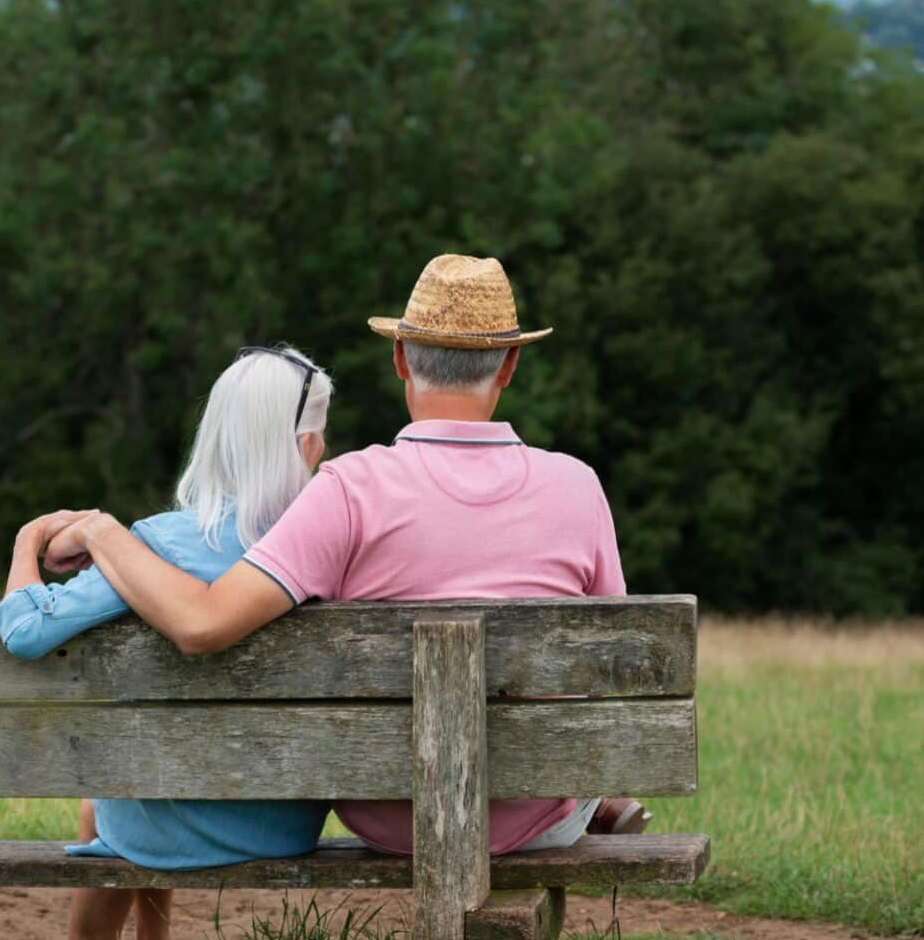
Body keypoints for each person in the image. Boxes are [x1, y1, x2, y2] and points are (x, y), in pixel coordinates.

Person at [43, 254, 648, 871]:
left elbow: (202, 625)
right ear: (510, 366)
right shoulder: (578, 486)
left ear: (401, 359)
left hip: (391, 811)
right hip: (535, 813)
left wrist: (103, 533)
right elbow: (614, 662)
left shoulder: (348, 489)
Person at [0, 345, 336, 940]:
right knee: (145, 777)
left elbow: (25, 632)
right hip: (284, 820)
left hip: (164, 816)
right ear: (308, 442)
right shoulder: (331, 545)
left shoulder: (156, 545)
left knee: (112, 796)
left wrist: (28, 542)